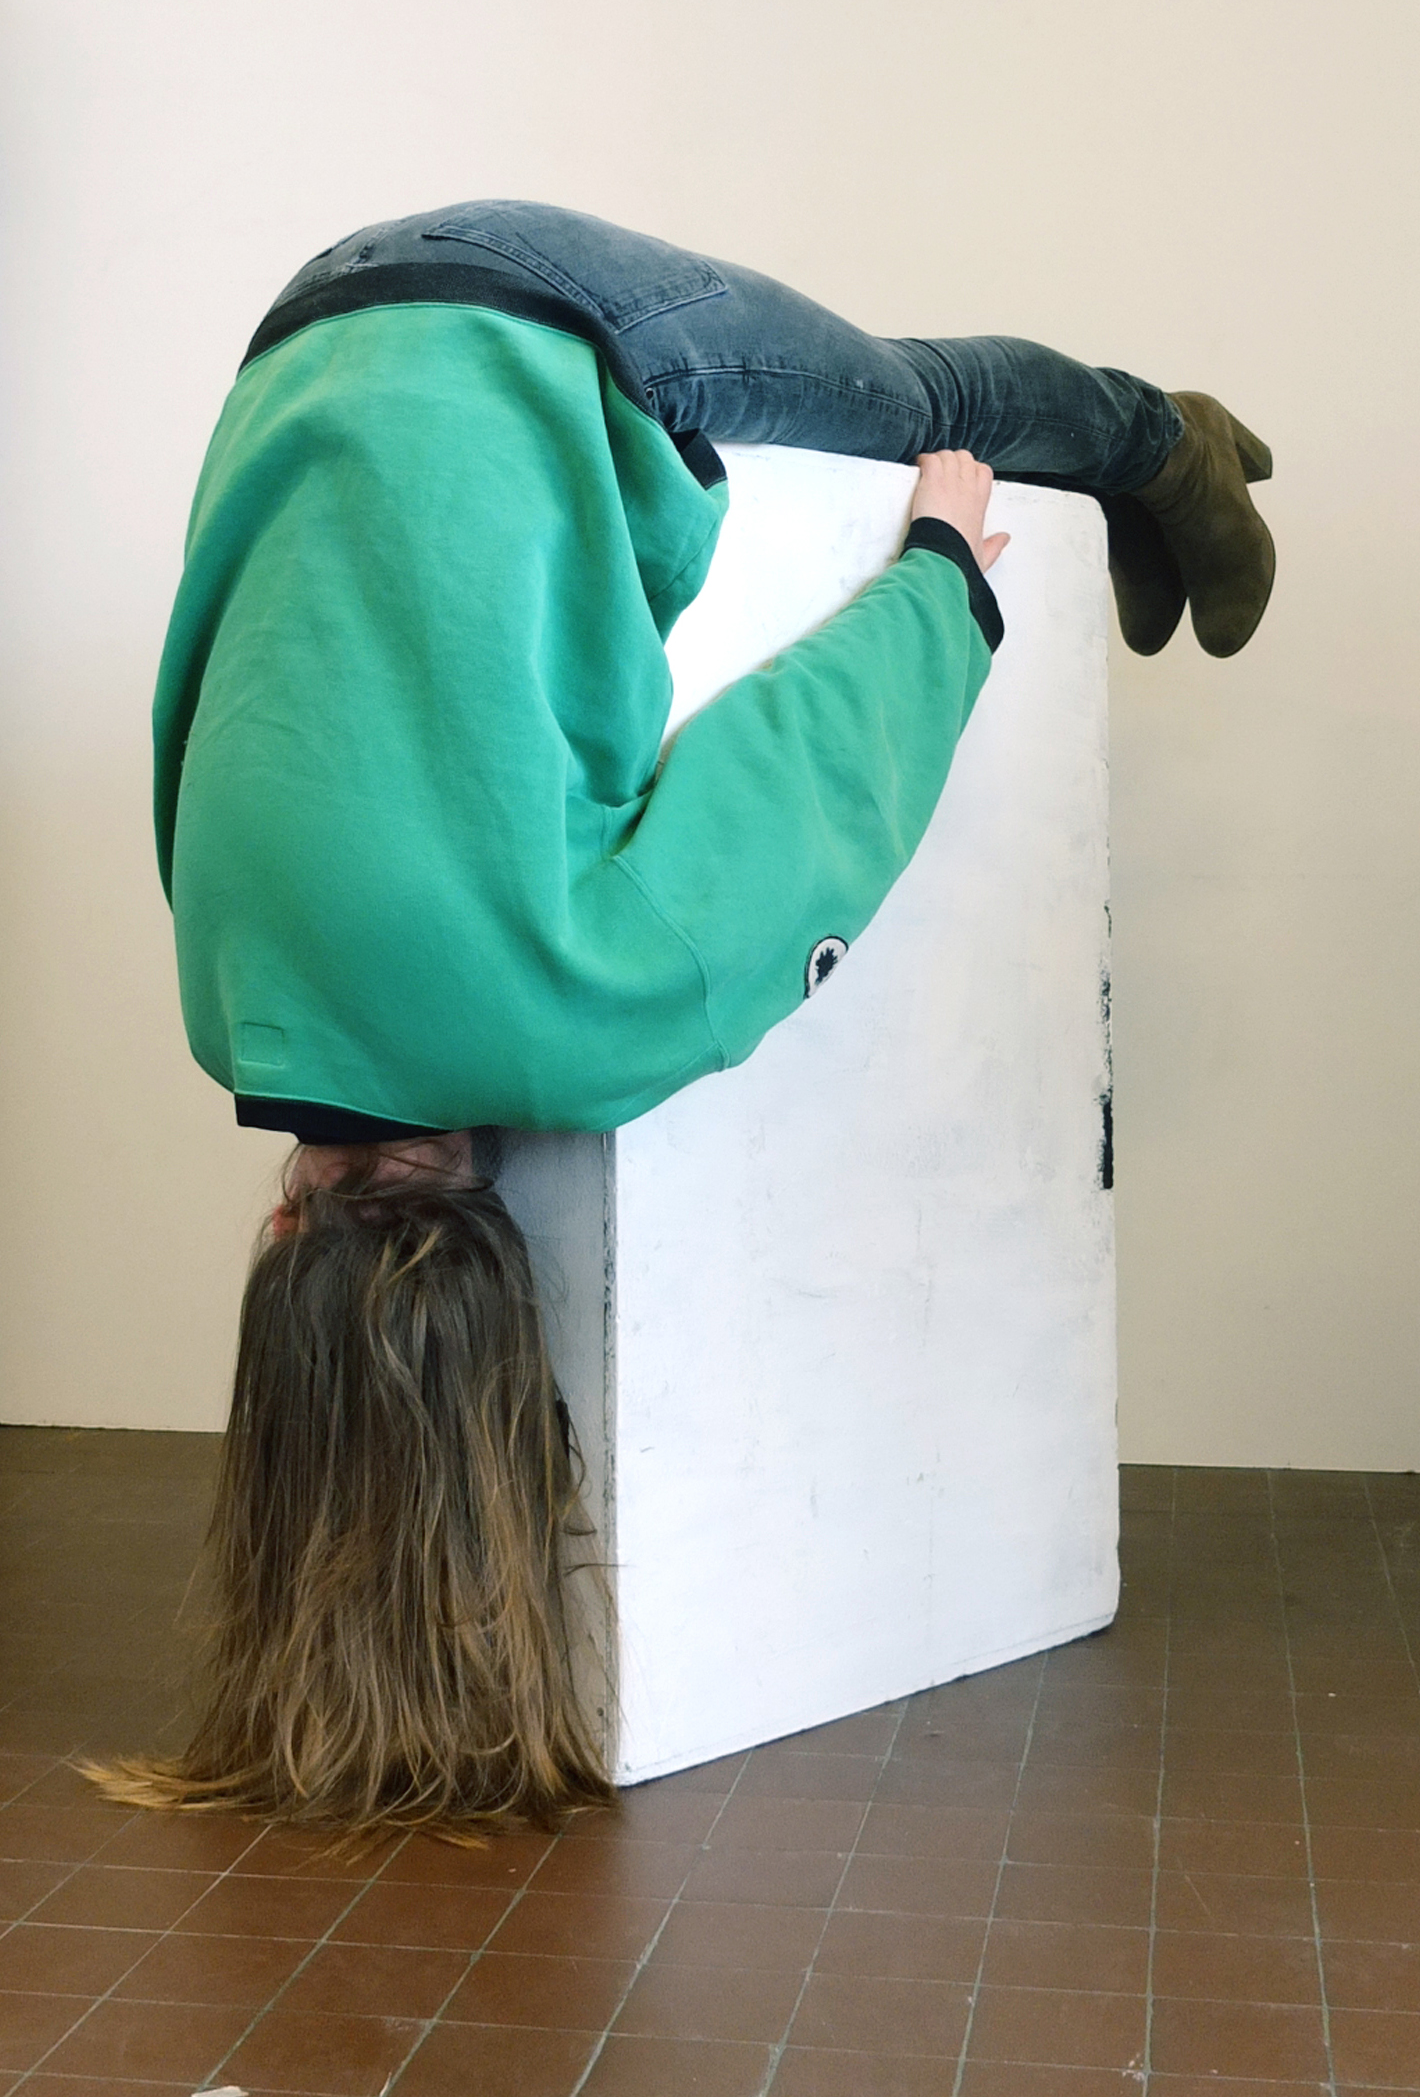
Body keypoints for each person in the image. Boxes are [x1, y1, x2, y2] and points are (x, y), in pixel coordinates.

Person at [93, 202, 1275, 1833]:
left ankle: (1167, 447)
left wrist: (941, 583)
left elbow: (795, 797)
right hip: (304, 341)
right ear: (284, 1225)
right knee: (880, 397)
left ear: (502, 1281)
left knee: (924, 407)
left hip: (577, 332)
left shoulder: (574, 1024)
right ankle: (1139, 489)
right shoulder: (221, 995)